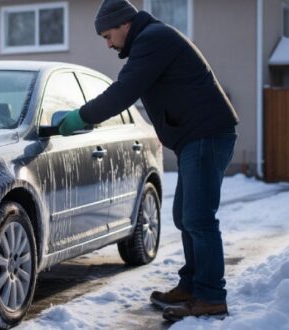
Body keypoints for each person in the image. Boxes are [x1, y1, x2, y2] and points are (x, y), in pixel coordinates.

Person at [58, 0, 239, 322]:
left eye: (108, 35)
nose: (109, 43)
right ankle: (192, 286)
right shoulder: (153, 39)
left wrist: (81, 117)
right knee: (185, 215)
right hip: (196, 138)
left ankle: (211, 296)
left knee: (198, 218)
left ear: (125, 24)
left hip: (206, 135)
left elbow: (124, 91)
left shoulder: (154, 39)